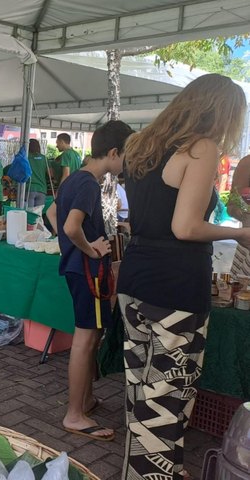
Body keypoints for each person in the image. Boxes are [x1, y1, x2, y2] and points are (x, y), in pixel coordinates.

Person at [117, 74, 250, 480]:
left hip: (136, 278)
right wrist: (241, 232)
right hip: (176, 284)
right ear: (222, 112)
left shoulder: (142, 144)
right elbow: (186, 227)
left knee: (141, 390)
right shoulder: (201, 148)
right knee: (166, 395)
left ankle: (157, 468)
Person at [47, 120, 134, 444]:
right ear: (113, 153)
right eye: (127, 155)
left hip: (77, 268)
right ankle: (75, 414)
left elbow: (53, 215)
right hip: (87, 271)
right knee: (85, 340)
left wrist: (70, 248)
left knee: (92, 336)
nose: (127, 163)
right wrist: (89, 248)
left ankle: (84, 401)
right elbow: (70, 226)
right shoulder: (88, 184)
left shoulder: (75, 179)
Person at [27, 139, 48, 209]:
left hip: (29, 188)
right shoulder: (44, 158)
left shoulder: (26, 157)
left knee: (29, 214)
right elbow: (50, 174)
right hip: (42, 189)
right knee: (38, 215)